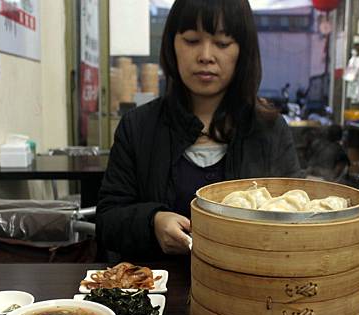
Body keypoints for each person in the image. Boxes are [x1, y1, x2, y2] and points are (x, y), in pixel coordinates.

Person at [96, 0, 303, 260]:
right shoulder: (138, 126)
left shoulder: (269, 130)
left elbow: (298, 218)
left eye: (222, 43)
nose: (206, 55)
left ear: (243, 50)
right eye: (192, 40)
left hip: (248, 289)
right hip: (157, 291)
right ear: (172, 44)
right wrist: (153, 220)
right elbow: (107, 219)